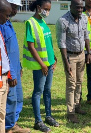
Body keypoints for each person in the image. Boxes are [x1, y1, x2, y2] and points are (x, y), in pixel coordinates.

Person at [22, 0, 58, 132]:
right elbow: (31, 46)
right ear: (38, 7)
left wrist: (54, 58)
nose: (47, 12)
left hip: (49, 64)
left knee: (47, 91)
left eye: (49, 9)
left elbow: (48, 43)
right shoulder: (30, 23)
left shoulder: (43, 22)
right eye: (45, 9)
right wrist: (42, 64)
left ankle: (48, 116)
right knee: (38, 92)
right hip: (40, 66)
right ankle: (38, 121)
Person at [56, 0, 91, 123]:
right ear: (71, 7)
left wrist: (88, 52)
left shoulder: (84, 18)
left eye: (82, 8)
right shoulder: (63, 21)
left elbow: (86, 36)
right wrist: (66, 62)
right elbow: (62, 43)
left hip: (81, 54)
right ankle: (70, 113)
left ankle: (77, 106)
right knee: (71, 84)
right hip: (70, 57)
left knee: (79, 82)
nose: (80, 10)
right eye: (77, 8)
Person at [0, 0, 30, 132]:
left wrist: (19, 66)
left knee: (18, 97)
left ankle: (13, 123)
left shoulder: (8, 23)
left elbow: (12, 49)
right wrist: (11, 72)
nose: (16, 10)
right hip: (9, 70)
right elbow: (4, 51)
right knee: (11, 99)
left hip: (15, 67)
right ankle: (8, 127)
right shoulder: (2, 25)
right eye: (14, 7)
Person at [0, 0, 12, 133]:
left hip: (4, 78)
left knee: (1, 115)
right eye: (6, 15)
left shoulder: (1, 30)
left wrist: (8, 75)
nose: (8, 18)